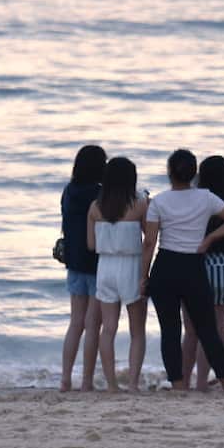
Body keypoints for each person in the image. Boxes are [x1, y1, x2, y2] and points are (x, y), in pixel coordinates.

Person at [142, 149, 224, 391]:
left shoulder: (159, 201)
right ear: (193, 173)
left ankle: (178, 386)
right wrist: (209, 239)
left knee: (170, 330)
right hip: (193, 266)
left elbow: (149, 243)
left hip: (165, 266)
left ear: (169, 173)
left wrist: (142, 276)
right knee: (207, 328)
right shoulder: (206, 198)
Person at [182, 155, 224, 392]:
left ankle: (185, 381)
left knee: (191, 330)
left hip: (195, 266)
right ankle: (221, 377)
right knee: (219, 327)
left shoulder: (194, 204)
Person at [87, 156, 149, 392]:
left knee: (109, 328)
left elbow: (91, 245)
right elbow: (149, 237)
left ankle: (111, 384)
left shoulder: (94, 207)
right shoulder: (139, 204)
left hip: (105, 267)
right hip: (131, 266)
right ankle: (133, 383)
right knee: (136, 330)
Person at [59, 145, 105, 391]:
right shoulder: (99, 194)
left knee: (76, 322)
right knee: (93, 324)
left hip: (74, 262)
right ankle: (86, 381)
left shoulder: (69, 191)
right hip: (97, 263)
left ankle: (65, 379)